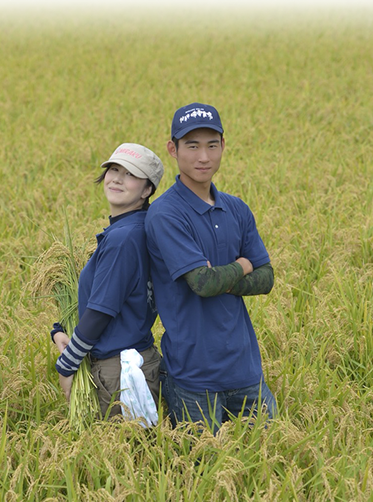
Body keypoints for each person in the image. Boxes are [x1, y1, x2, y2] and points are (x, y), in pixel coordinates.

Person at [144, 103, 277, 433]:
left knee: (269, 454)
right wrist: (242, 265)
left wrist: (221, 275)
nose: (203, 157)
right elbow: (202, 283)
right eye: (192, 146)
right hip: (193, 376)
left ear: (223, 146)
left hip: (246, 370)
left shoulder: (236, 208)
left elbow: (266, 278)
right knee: (204, 462)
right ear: (173, 149)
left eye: (212, 145)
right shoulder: (166, 213)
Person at [51, 143, 164, 420]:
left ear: (147, 190)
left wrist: (67, 365)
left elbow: (101, 310)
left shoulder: (123, 238)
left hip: (119, 374)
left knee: (121, 447)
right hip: (136, 361)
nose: (117, 179)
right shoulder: (139, 228)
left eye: (130, 174)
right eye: (114, 170)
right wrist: (61, 329)